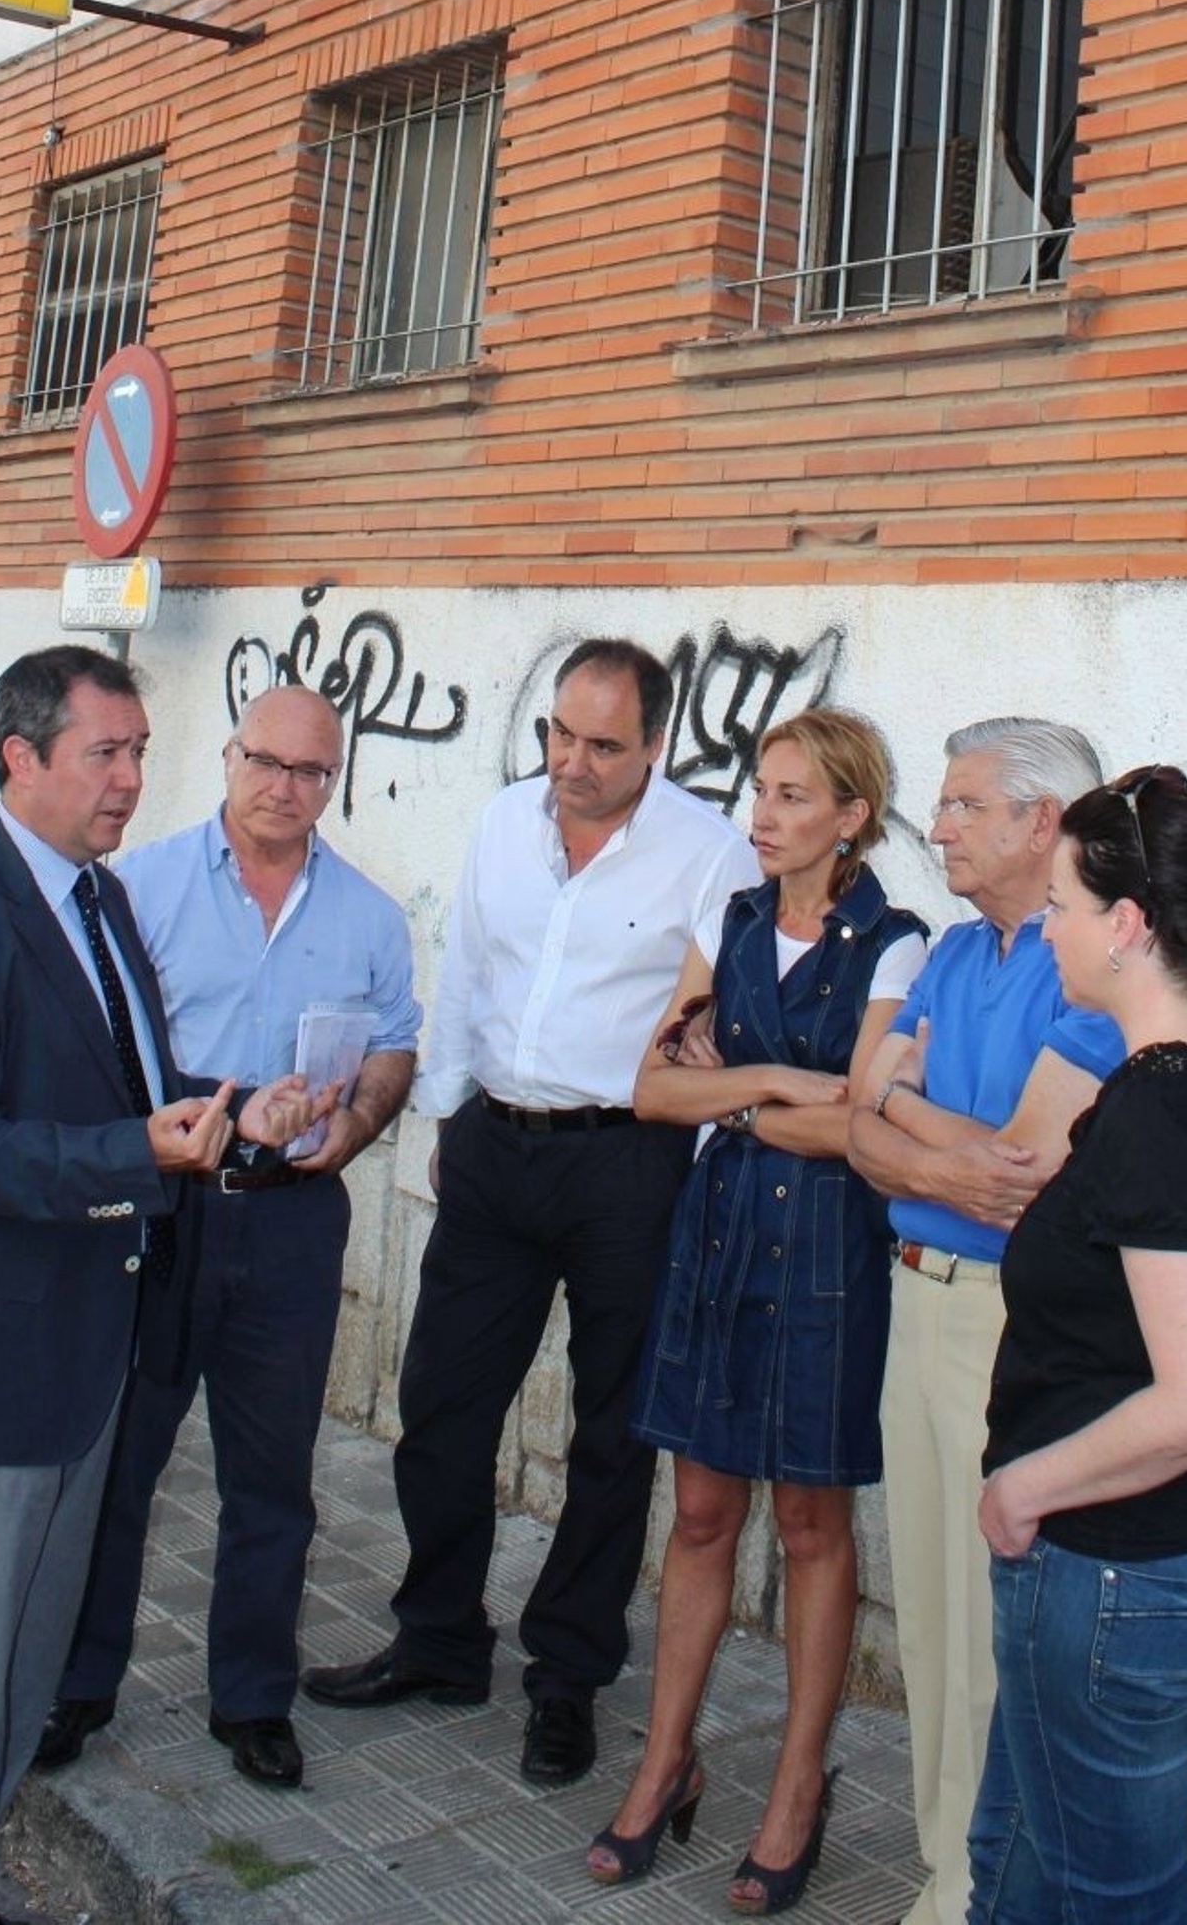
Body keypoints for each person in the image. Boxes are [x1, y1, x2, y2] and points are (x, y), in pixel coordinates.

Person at [0, 646, 274, 1925]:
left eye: (140, 750)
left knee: (23, 1668)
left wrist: (230, 1112)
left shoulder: (96, 897)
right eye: (106, 753)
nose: (132, 779)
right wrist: (135, 1153)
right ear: (20, 758)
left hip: (84, 1351)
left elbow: (113, 1086)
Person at [304, 638, 761, 1789]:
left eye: (604, 744)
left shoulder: (711, 854)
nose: (573, 761)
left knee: (612, 1434)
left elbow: (723, 1025)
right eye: (562, 733)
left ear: (656, 744)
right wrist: (448, 1120)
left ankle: (568, 1675)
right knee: (440, 1403)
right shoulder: (507, 821)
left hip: (630, 1165)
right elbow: (466, 971)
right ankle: (440, 1637)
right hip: (497, 1149)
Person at [36, 684, 419, 1790]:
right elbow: (102, 1053)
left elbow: (396, 1045)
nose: (283, 788)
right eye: (266, 761)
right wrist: (224, 1108)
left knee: (273, 1478)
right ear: (227, 756)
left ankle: (252, 1699)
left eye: (311, 772)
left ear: (333, 782)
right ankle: (80, 1684)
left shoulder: (369, 916)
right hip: (165, 1213)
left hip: (292, 1219)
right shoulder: (138, 888)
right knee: (122, 1462)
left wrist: (352, 1125)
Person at [968, 765, 1187, 1923]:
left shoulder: (1159, 1112)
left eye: (1062, 906)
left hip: (1128, 1569)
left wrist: (1025, 1487)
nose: (1049, 930)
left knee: (1109, 1897)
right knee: (1014, 1860)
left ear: (1127, 926)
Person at [587, 710, 922, 1915]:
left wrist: (724, 1090)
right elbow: (647, 1088)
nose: (762, 816)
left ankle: (796, 1787)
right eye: (760, 791)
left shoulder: (897, 945)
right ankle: (665, 1761)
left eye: (792, 796)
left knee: (815, 1524)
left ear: (851, 816)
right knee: (699, 1513)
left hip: (830, 1254)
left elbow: (863, 1123)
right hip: (720, 1235)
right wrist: (778, 1081)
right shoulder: (728, 922)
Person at [847, 719, 1123, 1925]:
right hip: (915, 1294)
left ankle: (981, 1888)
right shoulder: (955, 953)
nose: (939, 826)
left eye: (964, 805)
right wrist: (911, 1133)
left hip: (1006, 1323)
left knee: (987, 1621)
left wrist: (904, 1117)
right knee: (928, 1614)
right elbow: (858, 1119)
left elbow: (1025, 1168)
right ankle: (945, 1867)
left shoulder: (1092, 970)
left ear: (1041, 821)